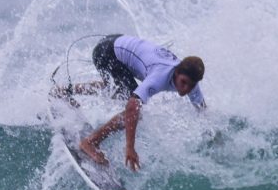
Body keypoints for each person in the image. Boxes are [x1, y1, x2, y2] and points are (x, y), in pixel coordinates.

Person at [56, 34, 206, 172]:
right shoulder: (160, 76)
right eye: (183, 82)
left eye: (191, 85)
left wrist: (213, 135)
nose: (186, 89)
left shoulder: (191, 81)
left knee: (116, 89)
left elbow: (202, 110)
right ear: (176, 72)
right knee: (135, 112)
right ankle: (90, 142)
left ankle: (65, 91)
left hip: (117, 44)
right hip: (106, 52)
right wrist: (130, 148)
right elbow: (132, 108)